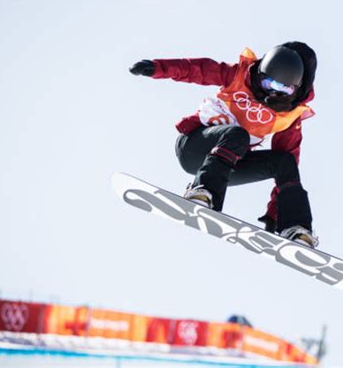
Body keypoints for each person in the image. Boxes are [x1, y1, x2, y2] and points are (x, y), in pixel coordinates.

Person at [129, 42, 319, 248]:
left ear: (296, 91)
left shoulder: (289, 117)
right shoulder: (238, 76)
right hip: (195, 147)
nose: (273, 93)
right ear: (260, 74)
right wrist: (158, 67)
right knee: (238, 135)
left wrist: (276, 214)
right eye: (268, 84)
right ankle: (203, 191)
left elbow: (288, 165)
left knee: (286, 161)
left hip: (228, 165)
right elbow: (197, 69)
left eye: (283, 88)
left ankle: (296, 229)